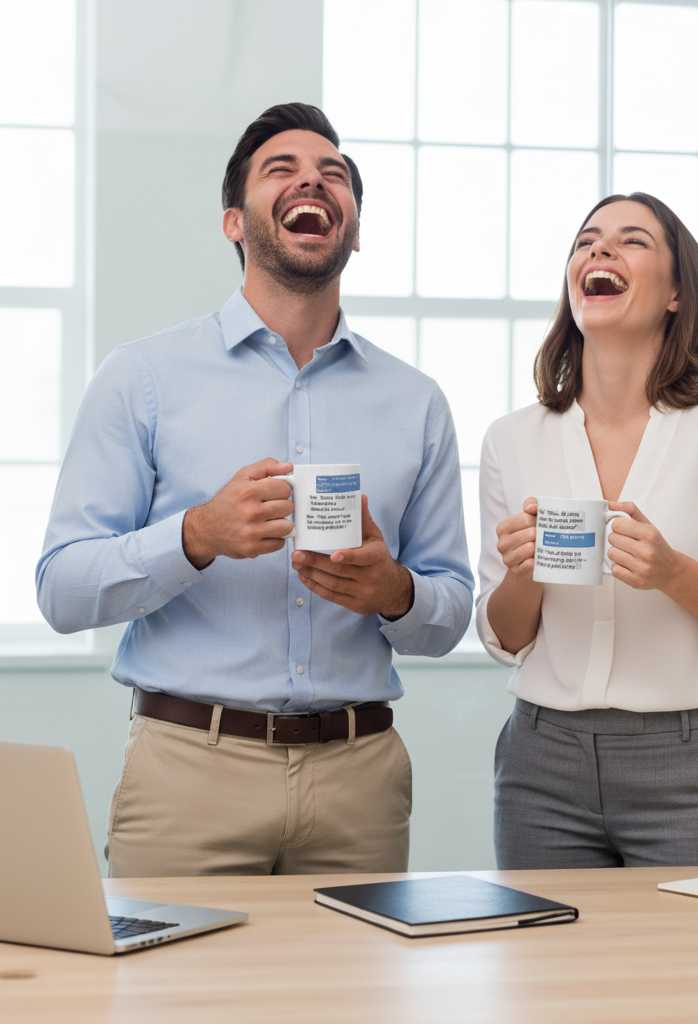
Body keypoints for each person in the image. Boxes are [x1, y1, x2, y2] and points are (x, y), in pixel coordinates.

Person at [36, 103, 473, 877]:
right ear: (235, 222)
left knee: (350, 1002)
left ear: (355, 230)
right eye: (284, 170)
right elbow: (63, 592)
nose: (313, 180)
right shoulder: (140, 378)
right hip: (187, 778)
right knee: (171, 1001)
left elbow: (449, 614)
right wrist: (194, 537)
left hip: (360, 784)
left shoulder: (417, 402)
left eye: (332, 175)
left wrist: (395, 591)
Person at [476, 193, 698, 869]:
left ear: (678, 292)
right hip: (542, 767)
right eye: (587, 241)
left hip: (693, 772)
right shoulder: (512, 439)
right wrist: (520, 572)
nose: (600, 250)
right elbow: (504, 638)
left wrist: (673, 574)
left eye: (631, 241)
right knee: (546, 975)